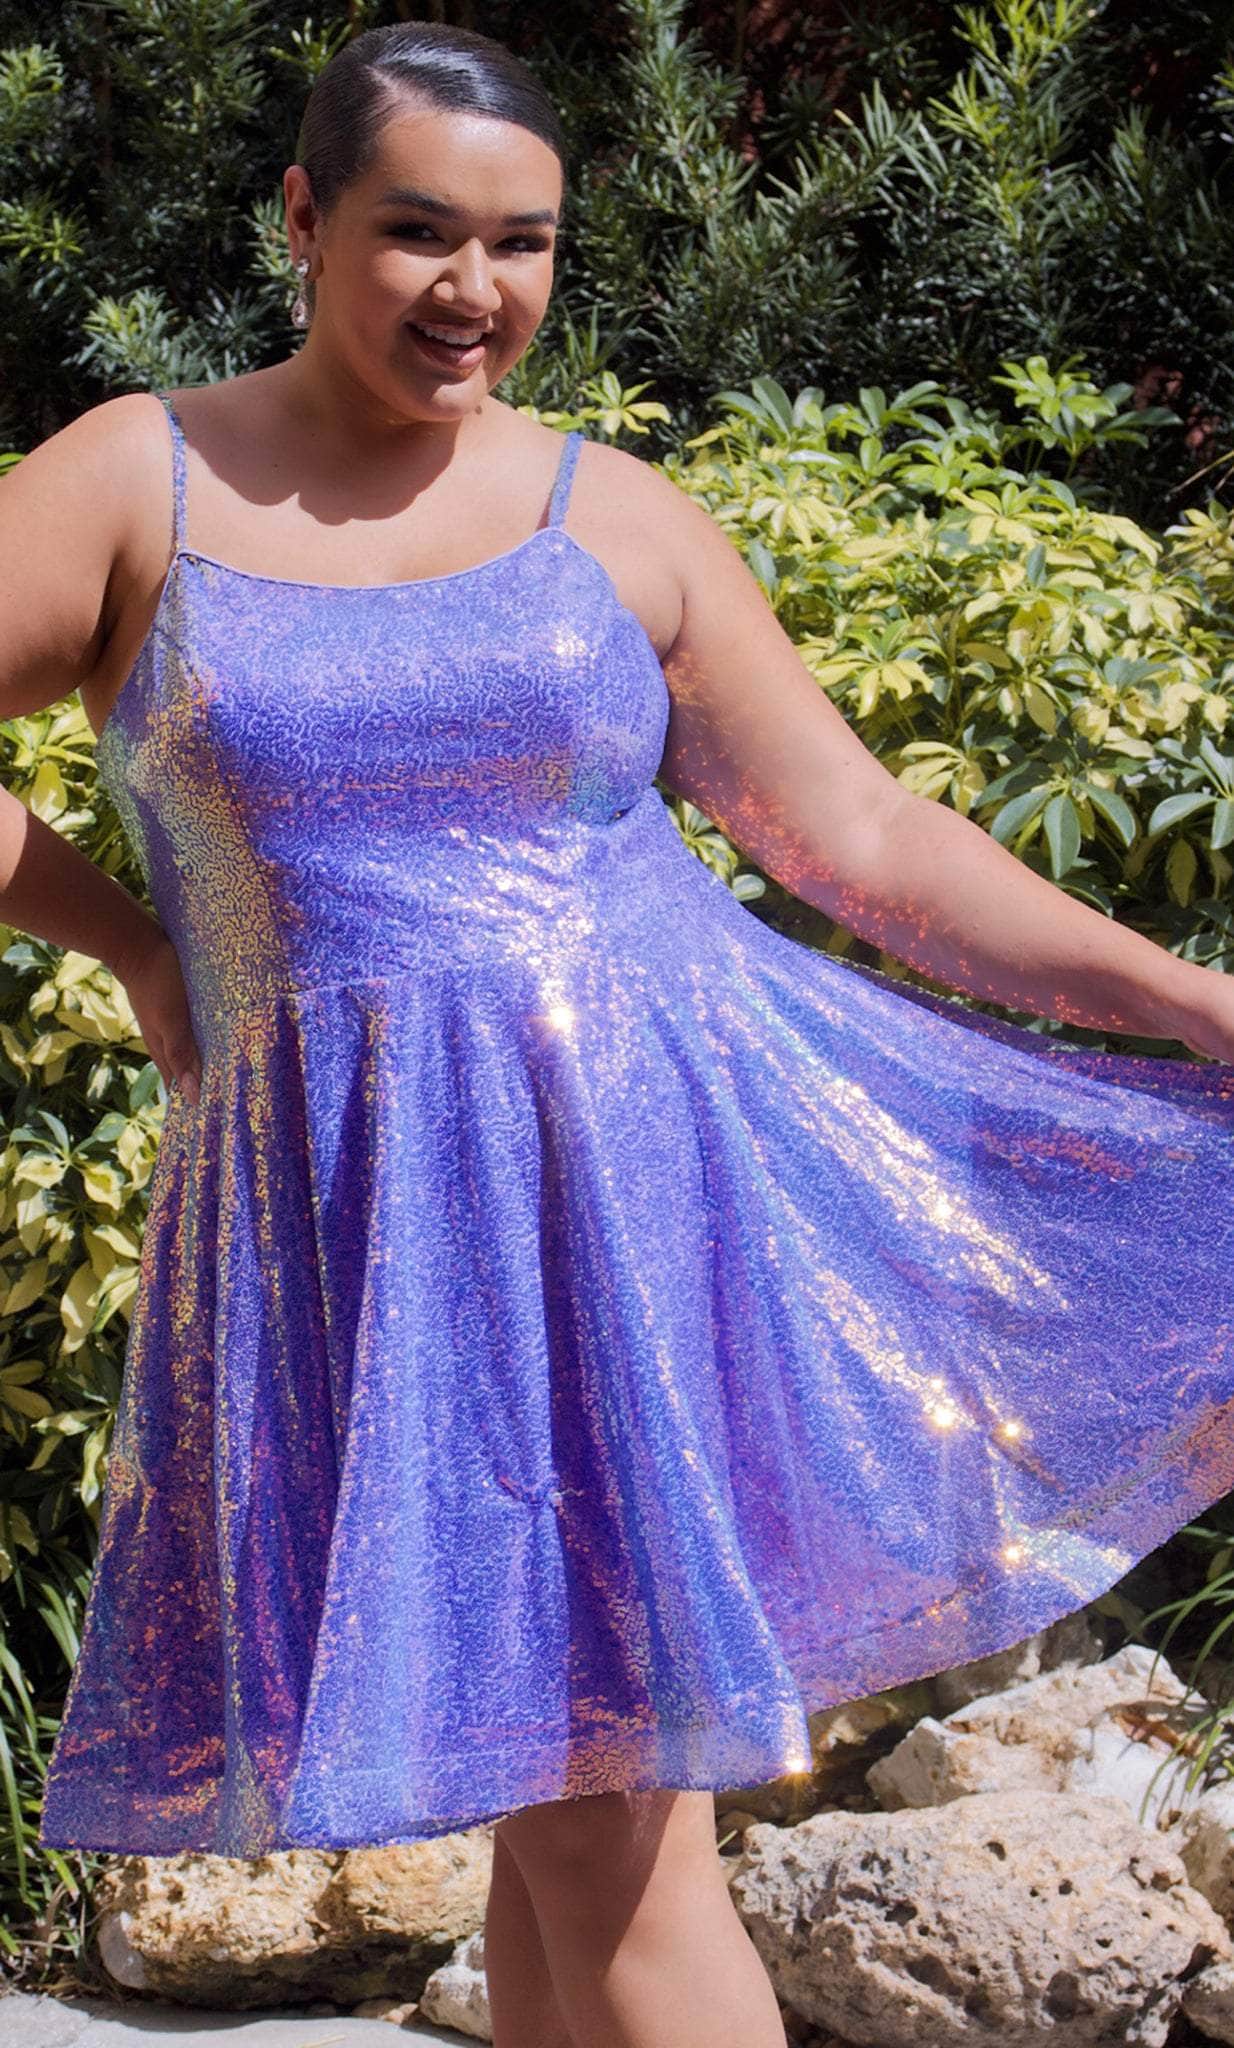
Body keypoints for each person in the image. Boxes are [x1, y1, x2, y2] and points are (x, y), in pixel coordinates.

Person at [5, 18, 1234, 2048]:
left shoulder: (619, 518)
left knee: (603, 1842)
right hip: (374, 1236)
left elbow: (858, 839)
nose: (472, 290)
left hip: (644, 1212)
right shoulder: (142, 479)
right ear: (303, 217)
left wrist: (1194, 1005)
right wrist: (136, 946)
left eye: (523, 243)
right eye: (418, 232)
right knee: (577, 1839)